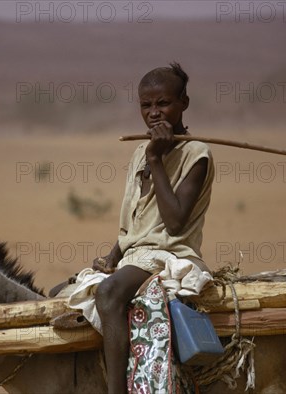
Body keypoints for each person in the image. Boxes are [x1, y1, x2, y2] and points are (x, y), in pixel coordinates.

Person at [92, 62, 215, 393]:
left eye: (163, 103)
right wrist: (112, 255)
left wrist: (158, 159)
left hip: (169, 255)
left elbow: (174, 225)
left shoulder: (196, 155)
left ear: (183, 103)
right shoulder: (138, 153)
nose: (154, 113)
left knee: (109, 292)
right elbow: (135, 221)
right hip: (135, 255)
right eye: (146, 105)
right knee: (62, 292)